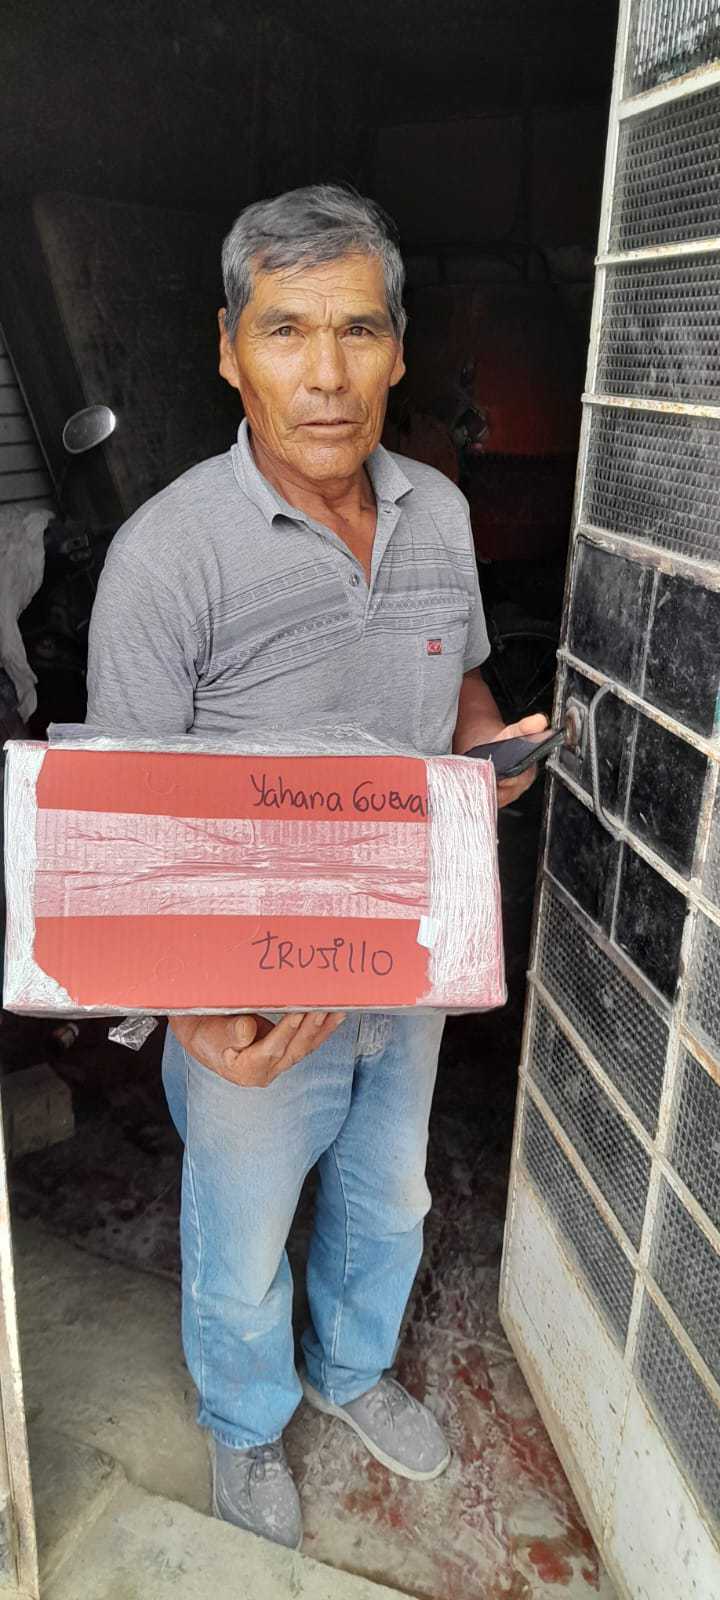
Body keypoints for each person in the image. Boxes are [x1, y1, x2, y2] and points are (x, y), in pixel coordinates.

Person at [86, 184, 546, 1550]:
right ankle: (244, 1422)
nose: (327, 373)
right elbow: (119, 831)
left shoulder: (440, 514)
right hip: (249, 998)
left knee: (389, 1198)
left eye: (358, 329)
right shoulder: (166, 556)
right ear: (229, 350)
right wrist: (188, 1007)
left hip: (401, 958)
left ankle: (349, 1372)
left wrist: (487, 754)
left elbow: (460, 680)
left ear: (399, 350)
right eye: (287, 330)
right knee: (239, 1242)